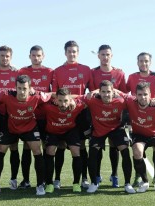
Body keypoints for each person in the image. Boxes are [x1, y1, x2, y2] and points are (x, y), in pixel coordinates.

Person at [0, 75, 52, 196]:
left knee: (37, 150)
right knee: (0, 149)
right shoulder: (6, 95)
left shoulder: (37, 95)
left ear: (30, 88)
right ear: (15, 87)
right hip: (11, 128)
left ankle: (39, 185)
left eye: (25, 88)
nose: (22, 91)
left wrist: (70, 99)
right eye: (19, 88)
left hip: (30, 127)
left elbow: (54, 95)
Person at [117, 82, 155, 193]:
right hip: (140, 135)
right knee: (137, 152)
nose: (143, 97)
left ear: (150, 94)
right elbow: (118, 92)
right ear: (135, 95)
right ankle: (145, 182)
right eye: (140, 94)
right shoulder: (130, 100)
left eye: (145, 94)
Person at [52, 40, 95, 189]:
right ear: (65, 53)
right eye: (69, 51)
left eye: (74, 52)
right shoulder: (57, 71)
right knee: (61, 144)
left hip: (81, 113)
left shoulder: (86, 69)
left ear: (78, 53)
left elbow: (92, 92)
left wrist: (76, 100)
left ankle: (84, 178)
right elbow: (54, 93)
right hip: (62, 111)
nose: (72, 54)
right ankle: (56, 179)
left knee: (81, 146)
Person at [81, 80, 135, 194]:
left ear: (113, 92)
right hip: (99, 130)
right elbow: (76, 99)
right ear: (99, 92)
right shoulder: (92, 100)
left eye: (109, 92)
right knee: (93, 153)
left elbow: (135, 101)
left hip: (116, 129)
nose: (106, 94)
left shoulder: (121, 101)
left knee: (125, 151)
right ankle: (94, 183)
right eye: (103, 92)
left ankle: (127, 183)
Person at [126, 52, 155, 186]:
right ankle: (139, 175)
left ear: (150, 62)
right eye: (141, 61)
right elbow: (127, 93)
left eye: (146, 61)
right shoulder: (132, 77)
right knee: (137, 148)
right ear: (137, 63)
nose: (144, 63)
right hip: (138, 116)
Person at [91, 44, 128, 188]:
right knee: (97, 147)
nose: (105, 57)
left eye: (108, 54)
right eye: (103, 54)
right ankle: (97, 175)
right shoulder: (92, 72)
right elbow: (90, 91)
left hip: (114, 115)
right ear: (98, 56)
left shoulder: (119, 73)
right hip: (98, 113)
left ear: (111, 56)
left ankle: (114, 175)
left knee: (115, 145)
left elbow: (124, 95)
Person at [18, 45, 53, 188]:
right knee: (27, 146)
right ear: (29, 56)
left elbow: (53, 92)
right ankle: (26, 180)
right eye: (33, 55)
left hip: (45, 115)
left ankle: (44, 179)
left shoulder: (50, 72)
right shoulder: (23, 71)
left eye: (39, 55)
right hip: (29, 115)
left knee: (45, 146)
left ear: (43, 56)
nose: (36, 58)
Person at [0, 45, 20, 190]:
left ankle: (13, 179)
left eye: (7, 56)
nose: (4, 58)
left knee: (13, 146)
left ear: (11, 57)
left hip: (10, 114)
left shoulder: (17, 72)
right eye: (2, 56)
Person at [43, 88, 84, 193]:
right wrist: (51, 94)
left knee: (76, 151)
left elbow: (88, 97)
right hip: (53, 131)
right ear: (56, 99)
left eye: (66, 100)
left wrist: (73, 100)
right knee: (50, 150)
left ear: (70, 99)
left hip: (70, 131)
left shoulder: (77, 105)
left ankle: (76, 183)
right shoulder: (48, 107)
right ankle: (49, 183)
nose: (63, 104)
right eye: (60, 101)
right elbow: (40, 96)